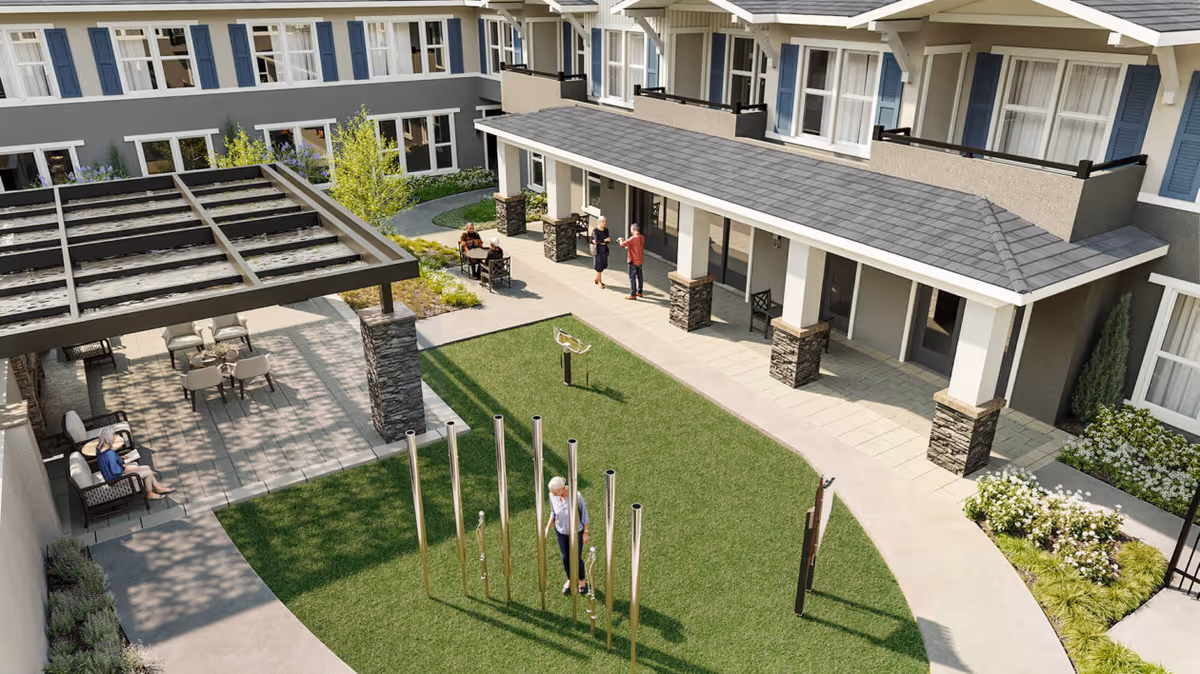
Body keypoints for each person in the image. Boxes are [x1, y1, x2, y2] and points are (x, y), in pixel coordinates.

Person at [95, 427, 172, 499]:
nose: (115, 436)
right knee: (148, 473)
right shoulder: (109, 454)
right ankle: (149, 494)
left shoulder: (99, 448)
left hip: (115, 474)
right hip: (116, 479)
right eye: (114, 434)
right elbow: (116, 471)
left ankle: (158, 488)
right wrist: (126, 466)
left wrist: (120, 459)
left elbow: (109, 463)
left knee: (147, 467)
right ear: (109, 436)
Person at [544, 476, 589, 595]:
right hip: (561, 532)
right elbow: (553, 513)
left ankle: (581, 580)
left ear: (562, 489)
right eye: (551, 492)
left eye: (555, 492)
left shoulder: (577, 496)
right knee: (566, 558)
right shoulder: (552, 496)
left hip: (576, 532)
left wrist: (585, 532)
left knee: (576, 558)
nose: (552, 494)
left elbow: (584, 515)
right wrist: (547, 528)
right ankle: (570, 579)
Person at [619, 224, 646, 300]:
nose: (630, 230)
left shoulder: (633, 238)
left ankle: (633, 294)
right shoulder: (641, 237)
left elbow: (622, 245)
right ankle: (640, 292)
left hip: (633, 261)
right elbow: (633, 245)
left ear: (633, 229)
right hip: (640, 260)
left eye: (631, 229)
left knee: (632, 277)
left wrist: (621, 240)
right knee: (640, 276)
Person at [592, 216, 611, 289]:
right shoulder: (595, 230)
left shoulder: (606, 230)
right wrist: (604, 240)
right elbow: (596, 241)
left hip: (604, 249)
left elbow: (608, 239)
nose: (605, 223)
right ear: (599, 222)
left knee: (603, 264)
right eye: (603, 222)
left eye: (605, 221)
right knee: (598, 266)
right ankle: (600, 282)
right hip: (598, 250)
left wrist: (604, 241)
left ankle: (596, 279)